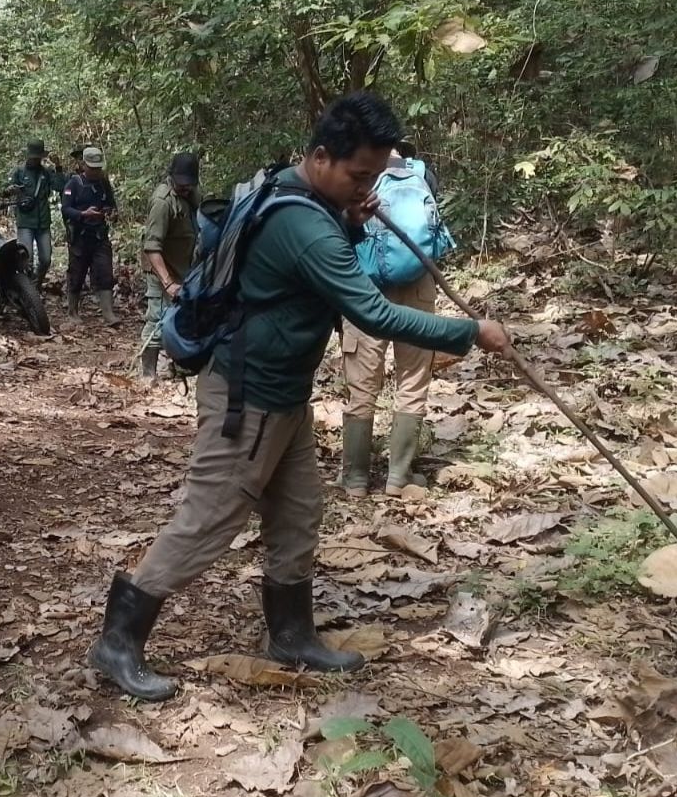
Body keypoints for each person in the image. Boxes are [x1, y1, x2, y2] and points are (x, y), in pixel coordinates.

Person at [86, 94, 513, 701]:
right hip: (249, 396)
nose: (367, 187)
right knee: (209, 517)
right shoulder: (303, 223)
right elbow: (371, 312)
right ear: (320, 157)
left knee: (298, 512)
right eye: (358, 175)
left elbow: (303, 277)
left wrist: (353, 218)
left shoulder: (301, 196)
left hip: (284, 392)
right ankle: (118, 641)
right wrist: (470, 331)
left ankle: (291, 636)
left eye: (374, 176)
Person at [338, 143, 445, 497]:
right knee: (412, 380)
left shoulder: (355, 176)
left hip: (365, 287)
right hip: (417, 283)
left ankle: (355, 478)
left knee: (362, 384)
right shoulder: (422, 175)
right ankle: (399, 476)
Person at [139, 152, 200, 379]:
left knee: (181, 317)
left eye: (188, 184)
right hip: (161, 269)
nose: (184, 188)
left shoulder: (193, 194)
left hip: (183, 266)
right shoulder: (162, 202)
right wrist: (167, 282)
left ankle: (175, 365)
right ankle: (148, 374)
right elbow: (152, 248)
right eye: (180, 184)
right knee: (157, 319)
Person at [61, 146, 119, 325]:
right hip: (80, 237)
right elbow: (66, 209)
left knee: (105, 273)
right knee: (77, 274)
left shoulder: (103, 183)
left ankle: (108, 313)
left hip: (99, 236)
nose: (95, 171)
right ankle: (72, 311)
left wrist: (110, 213)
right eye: (92, 168)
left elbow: (111, 204)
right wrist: (83, 214)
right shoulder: (73, 183)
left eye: (98, 168)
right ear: (83, 165)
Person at [5, 140, 56, 287]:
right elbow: (4, 191)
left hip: (43, 221)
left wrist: (58, 168)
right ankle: (28, 290)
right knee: (27, 259)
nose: (35, 160)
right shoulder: (19, 172)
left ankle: (36, 283)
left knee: (46, 259)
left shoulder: (46, 173)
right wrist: (10, 190)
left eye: (37, 157)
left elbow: (60, 186)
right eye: (33, 157)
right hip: (25, 220)